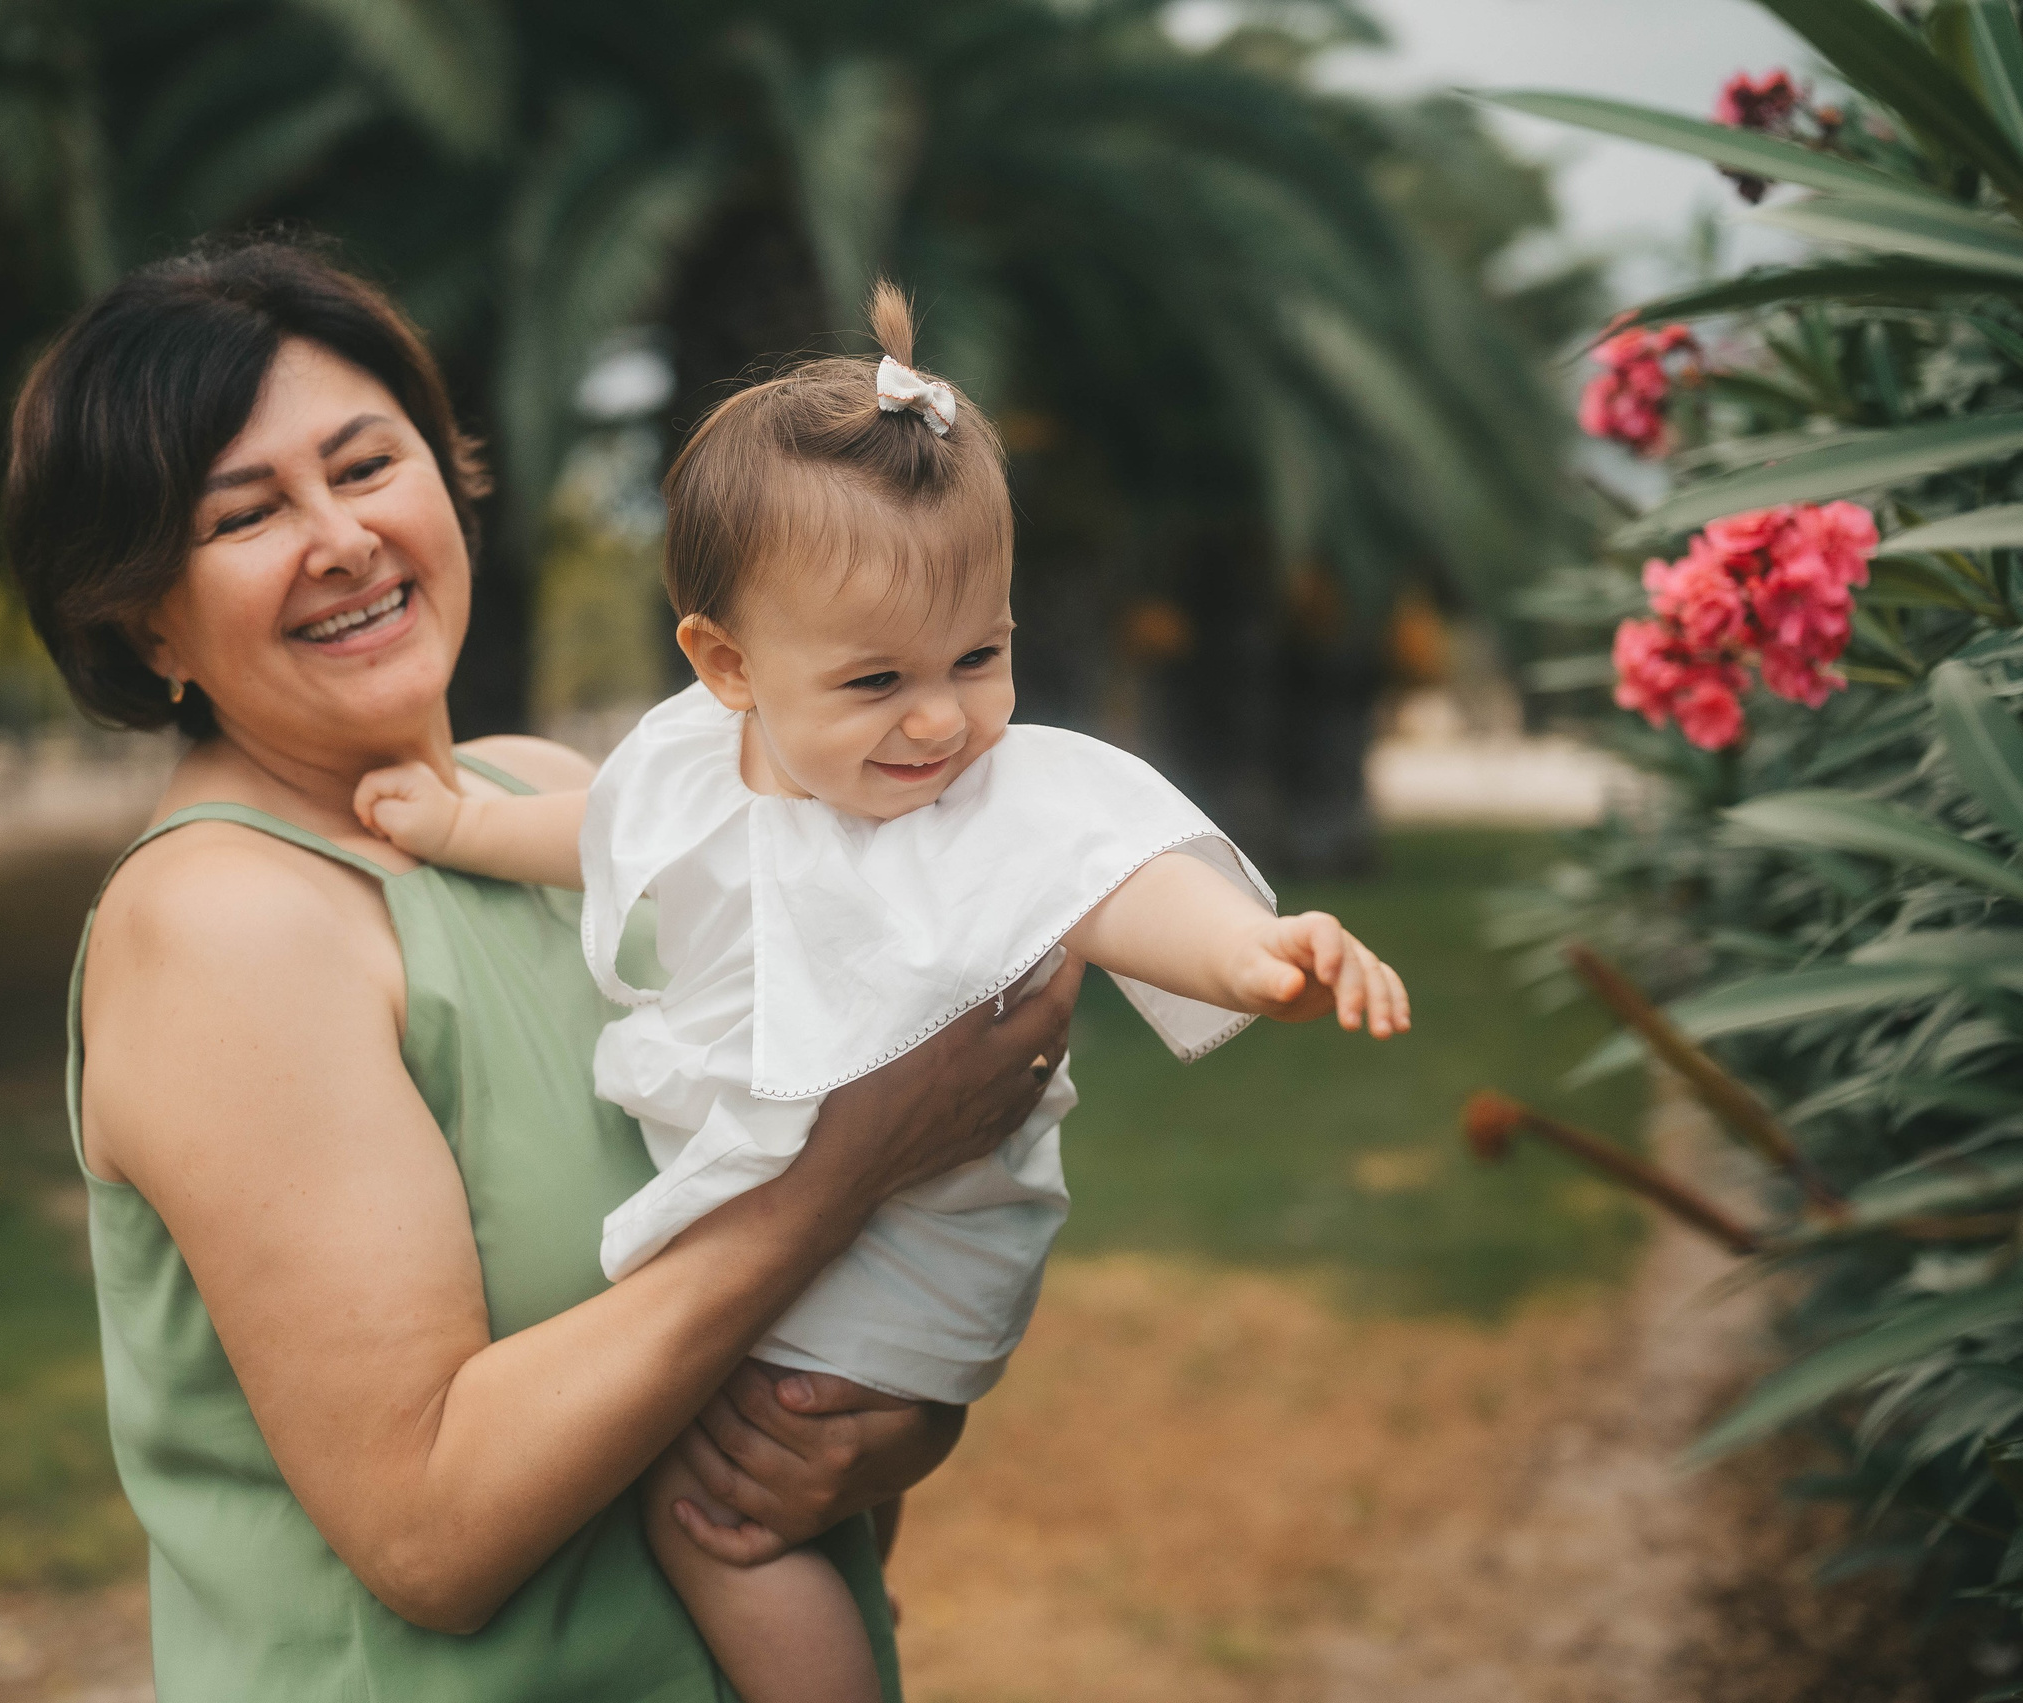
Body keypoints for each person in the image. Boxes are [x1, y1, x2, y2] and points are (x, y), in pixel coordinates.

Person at [3, 240, 1086, 1702]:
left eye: (366, 464)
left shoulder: (553, 797)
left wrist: (880, 1428)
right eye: (246, 512)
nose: (339, 537)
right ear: (144, 619)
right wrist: (843, 1167)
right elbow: (432, 1528)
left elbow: (777, 1299)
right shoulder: (226, 923)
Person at [354, 282, 1413, 1703]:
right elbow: (608, 834)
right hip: (811, 1206)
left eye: (981, 656)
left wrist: (1259, 957)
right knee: (810, 1495)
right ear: (726, 666)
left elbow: (1126, 882)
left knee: (714, 1518)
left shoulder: (1007, 795)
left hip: (922, 1235)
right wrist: (459, 827)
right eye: (875, 680)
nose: (940, 718)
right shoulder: (694, 762)